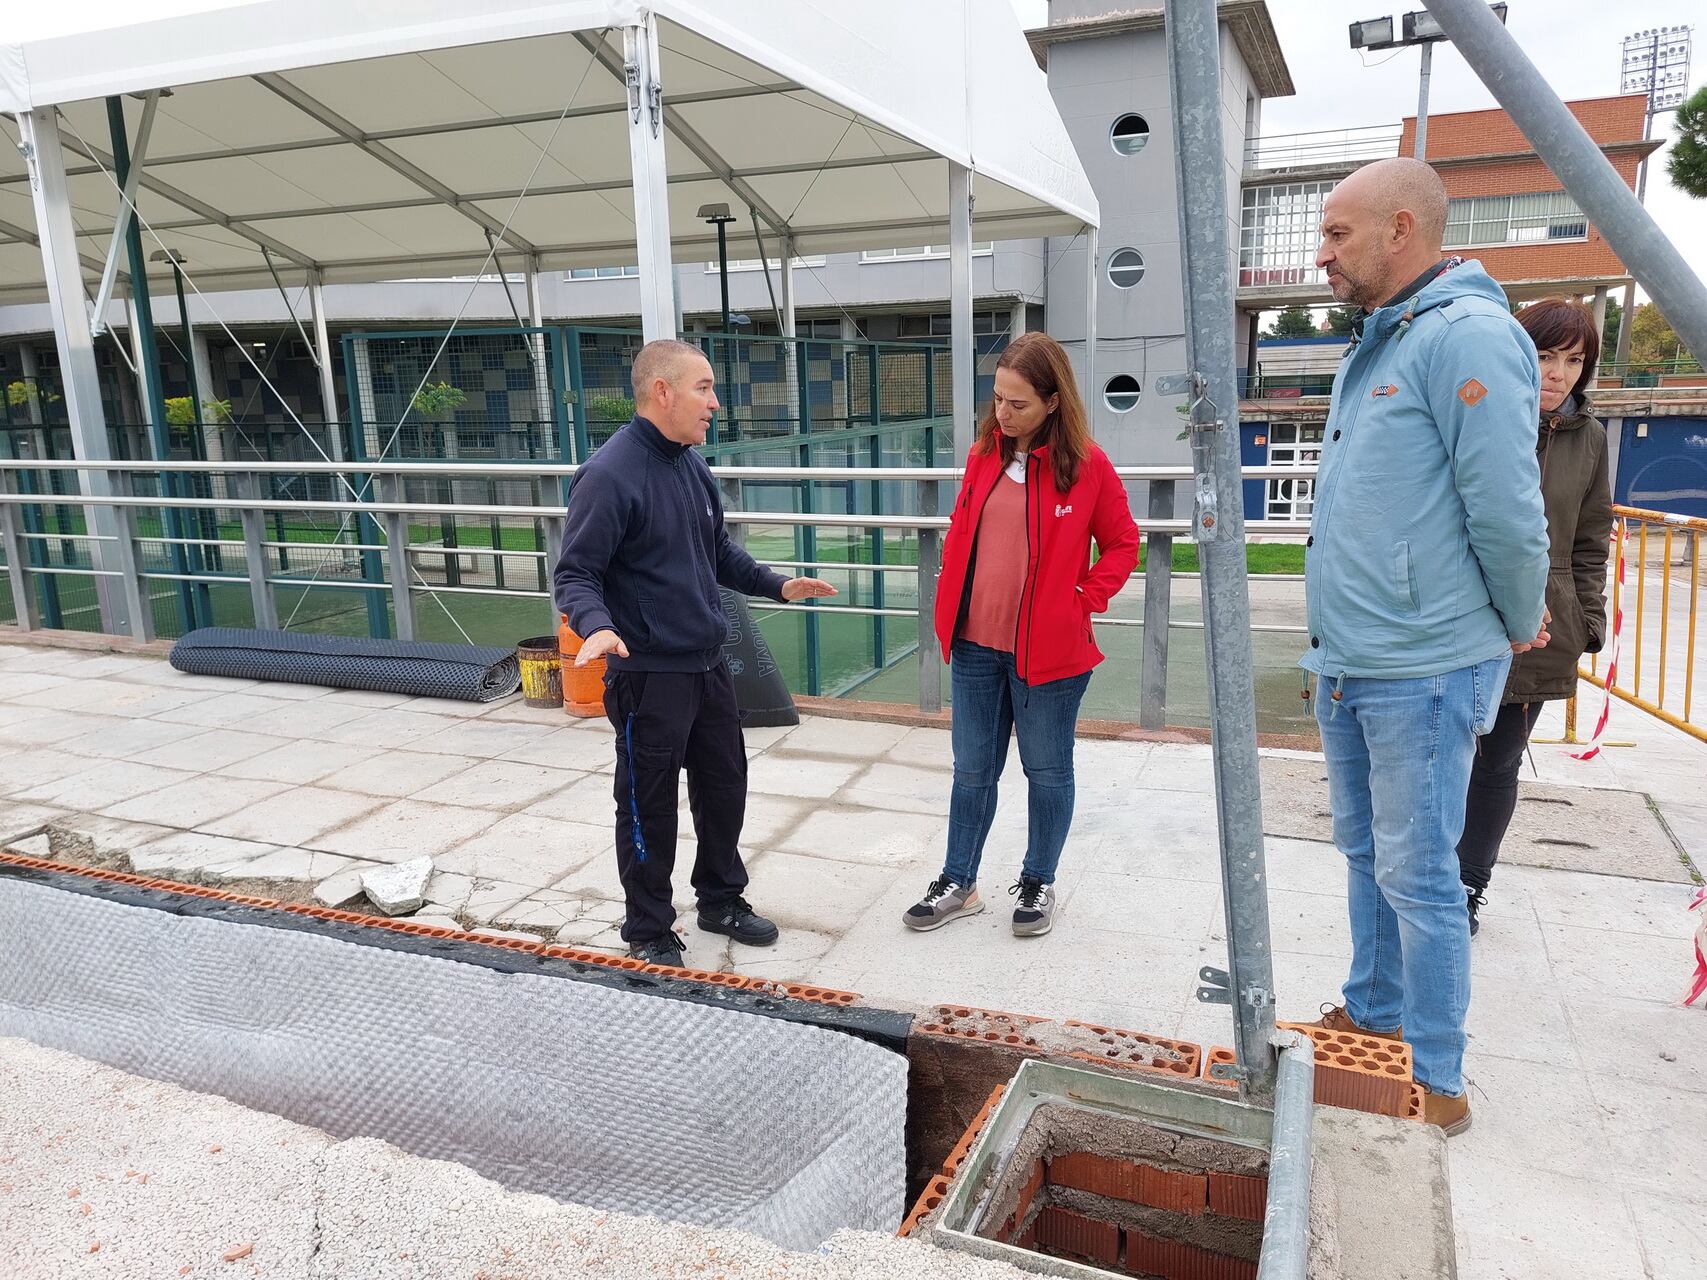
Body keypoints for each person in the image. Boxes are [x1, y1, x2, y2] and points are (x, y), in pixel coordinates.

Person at [1301, 158, 1550, 1135]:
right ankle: (1374, 1015)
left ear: (1401, 230)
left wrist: (1520, 611)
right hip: (1353, 658)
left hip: (1422, 664)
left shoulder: (1466, 335)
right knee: (1366, 852)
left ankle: (1436, 1079)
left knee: (1420, 871)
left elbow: (1508, 509)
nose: (1322, 255)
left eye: (1337, 235)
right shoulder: (1380, 338)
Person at [553, 339, 837, 969]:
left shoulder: (690, 464)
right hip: (648, 675)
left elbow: (718, 554)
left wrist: (776, 584)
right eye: (703, 388)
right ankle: (648, 926)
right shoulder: (609, 474)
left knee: (724, 786)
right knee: (647, 804)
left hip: (707, 666)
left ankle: (720, 899)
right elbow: (575, 575)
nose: (714, 402)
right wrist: (596, 626)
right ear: (663, 392)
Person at [902, 332, 1139, 938]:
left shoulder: (1086, 465)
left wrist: (1084, 598)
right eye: (998, 400)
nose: (1003, 415)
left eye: (1019, 405)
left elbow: (1122, 543)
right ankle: (960, 881)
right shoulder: (984, 454)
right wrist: (946, 605)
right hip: (977, 644)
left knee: (1047, 770)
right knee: (972, 770)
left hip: (1052, 653)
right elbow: (962, 534)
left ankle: (1038, 881)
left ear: (1054, 401)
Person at [1458, 299, 1613, 935]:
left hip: (1546, 631)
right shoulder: (1480, 414)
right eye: (1546, 354)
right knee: (1441, 757)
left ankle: (1469, 887)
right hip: (1463, 618)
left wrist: (1588, 621)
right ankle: (1423, 879)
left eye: (1574, 360)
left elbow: (1590, 540)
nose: (1558, 373)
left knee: (1497, 764)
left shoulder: (1591, 438)